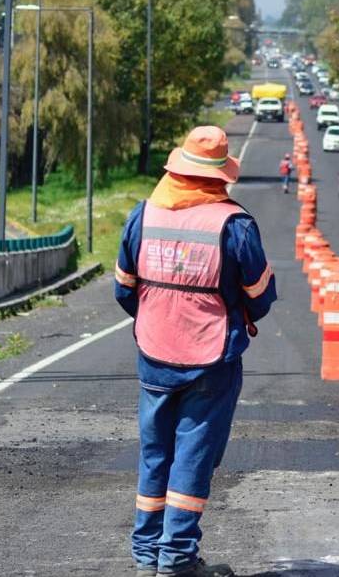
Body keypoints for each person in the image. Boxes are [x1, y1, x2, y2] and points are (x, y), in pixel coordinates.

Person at [114, 126, 277, 577]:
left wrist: (157, 316)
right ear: (219, 176)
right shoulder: (234, 224)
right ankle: (178, 556)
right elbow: (260, 296)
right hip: (211, 358)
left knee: (155, 452)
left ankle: (147, 552)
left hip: (154, 353)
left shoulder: (142, 216)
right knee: (193, 454)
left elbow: (124, 289)